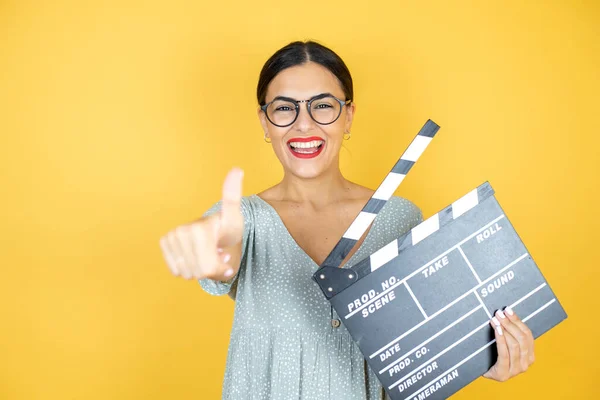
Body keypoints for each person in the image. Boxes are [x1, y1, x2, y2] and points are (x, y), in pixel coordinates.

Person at [159, 41, 535, 400]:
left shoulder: (399, 218)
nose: (304, 125)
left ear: (348, 115)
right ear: (265, 121)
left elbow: (425, 344)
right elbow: (219, 248)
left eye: (322, 106)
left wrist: (484, 357)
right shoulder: (243, 220)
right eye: (284, 108)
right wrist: (210, 252)